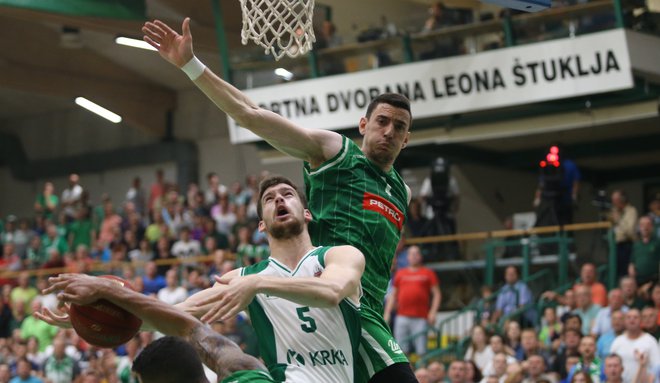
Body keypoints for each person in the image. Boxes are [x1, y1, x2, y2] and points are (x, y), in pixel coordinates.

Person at [143, 18, 416, 383]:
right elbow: (249, 114)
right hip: (333, 299)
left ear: (407, 139)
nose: (389, 131)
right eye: (382, 121)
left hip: (356, 306)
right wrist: (192, 65)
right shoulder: (336, 152)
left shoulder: (402, 190)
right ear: (364, 124)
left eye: (399, 127)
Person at [182, 176, 365, 383]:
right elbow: (182, 312)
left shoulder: (339, 256)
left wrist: (259, 284)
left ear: (307, 214)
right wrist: (137, 311)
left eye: (287, 194)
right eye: (269, 199)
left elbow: (331, 292)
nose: (279, 199)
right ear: (261, 225)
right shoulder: (241, 278)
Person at [37, 274, 276, 383]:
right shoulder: (245, 372)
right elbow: (189, 327)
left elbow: (187, 326)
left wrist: (106, 295)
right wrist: (106, 291)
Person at [383, 245, 441, 356]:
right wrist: (387, 313)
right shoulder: (400, 273)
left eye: (416, 253)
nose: (414, 256)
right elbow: (393, 295)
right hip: (402, 316)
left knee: (421, 350)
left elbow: (437, 294)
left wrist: (433, 312)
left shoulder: (428, 273)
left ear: (420, 256)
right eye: (411, 254)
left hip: (421, 317)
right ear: (407, 257)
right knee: (400, 350)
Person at [609, 309, 660, 382]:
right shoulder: (617, 341)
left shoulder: (650, 341)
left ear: (641, 321)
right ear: (624, 321)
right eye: (628, 317)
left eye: (635, 317)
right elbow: (610, 364)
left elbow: (657, 367)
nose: (632, 319)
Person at [608, 190, 638, 278]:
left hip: (627, 245)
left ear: (622, 199)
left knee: (625, 273)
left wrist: (618, 220)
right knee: (615, 272)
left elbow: (629, 231)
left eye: (615, 200)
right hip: (615, 246)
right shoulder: (614, 211)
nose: (613, 202)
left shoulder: (631, 211)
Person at [629, 215, 660, 285]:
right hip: (638, 280)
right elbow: (632, 263)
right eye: (642, 225)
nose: (645, 227)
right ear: (639, 227)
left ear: (652, 227)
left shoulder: (658, 243)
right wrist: (632, 278)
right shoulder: (636, 244)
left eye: (648, 224)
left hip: (654, 280)